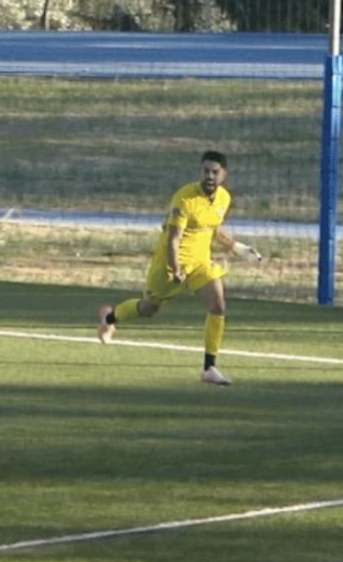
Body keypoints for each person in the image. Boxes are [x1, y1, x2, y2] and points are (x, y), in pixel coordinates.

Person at [98, 150, 262, 386]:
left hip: (200, 264)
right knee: (148, 309)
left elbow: (213, 228)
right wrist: (175, 269)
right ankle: (110, 317)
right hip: (170, 263)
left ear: (224, 174)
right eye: (205, 171)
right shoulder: (184, 198)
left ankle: (209, 368)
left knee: (218, 306)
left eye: (215, 172)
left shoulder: (224, 199)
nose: (209, 176)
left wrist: (238, 247)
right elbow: (174, 238)